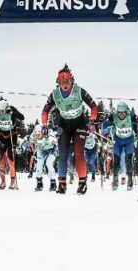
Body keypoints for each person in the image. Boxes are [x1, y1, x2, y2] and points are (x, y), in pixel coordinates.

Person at [40, 64, 98, 195]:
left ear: (72, 80)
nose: (65, 85)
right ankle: (62, 184)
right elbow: (45, 111)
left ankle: (82, 182)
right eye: (62, 82)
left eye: (67, 82)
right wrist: (44, 125)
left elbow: (93, 106)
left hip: (79, 123)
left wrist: (92, 121)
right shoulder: (55, 94)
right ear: (58, 82)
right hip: (64, 124)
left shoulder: (79, 91)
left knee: (78, 154)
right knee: (63, 154)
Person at [102, 100, 138, 191]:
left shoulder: (131, 115)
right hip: (118, 140)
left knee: (128, 160)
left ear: (126, 111)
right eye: (119, 113)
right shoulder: (114, 115)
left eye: (123, 113)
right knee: (116, 160)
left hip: (129, 140)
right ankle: (115, 180)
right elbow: (105, 124)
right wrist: (103, 128)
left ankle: (130, 181)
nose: (121, 115)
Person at [0, 99, 24, 190]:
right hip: (2, 136)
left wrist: (13, 113)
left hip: (12, 136)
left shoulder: (11, 109)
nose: (2, 112)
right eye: (0, 110)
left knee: (11, 158)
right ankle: (2, 181)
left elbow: (22, 117)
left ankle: (13, 181)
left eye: (3, 110)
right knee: (1, 160)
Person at [32, 124, 57, 191]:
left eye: (39, 134)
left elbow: (56, 142)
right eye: (36, 134)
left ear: (43, 132)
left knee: (48, 163)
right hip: (41, 151)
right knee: (39, 166)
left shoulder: (49, 135)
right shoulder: (33, 135)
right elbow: (31, 141)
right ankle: (39, 183)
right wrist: (33, 148)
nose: (37, 136)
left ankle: (53, 183)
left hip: (51, 150)